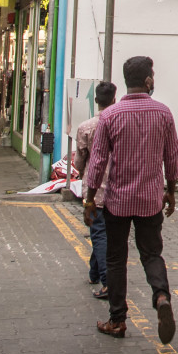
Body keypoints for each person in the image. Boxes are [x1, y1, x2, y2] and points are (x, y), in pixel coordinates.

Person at [84, 56, 178, 343]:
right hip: (150, 200)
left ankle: (118, 320)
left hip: (117, 201)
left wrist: (90, 199)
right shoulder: (163, 113)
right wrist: (171, 191)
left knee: (115, 260)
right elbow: (171, 158)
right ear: (148, 80)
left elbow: (97, 161)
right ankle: (161, 295)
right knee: (151, 254)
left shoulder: (111, 116)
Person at [73, 81, 119, 298]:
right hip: (118, 187)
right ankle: (94, 272)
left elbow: (79, 161)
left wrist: (83, 173)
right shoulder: (121, 123)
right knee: (102, 232)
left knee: (99, 232)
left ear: (96, 100)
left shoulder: (86, 127)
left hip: (94, 189)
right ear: (114, 99)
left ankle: (107, 281)